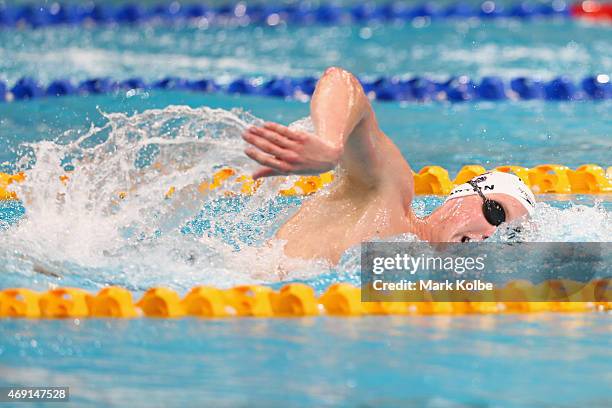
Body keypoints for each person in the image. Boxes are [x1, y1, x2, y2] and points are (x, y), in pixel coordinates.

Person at [242, 67, 536, 264]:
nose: (491, 236)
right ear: (462, 195)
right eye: (496, 213)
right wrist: (331, 145)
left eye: (509, 236)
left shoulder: (407, 273)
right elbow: (341, 81)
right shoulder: (388, 196)